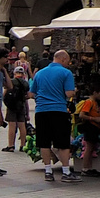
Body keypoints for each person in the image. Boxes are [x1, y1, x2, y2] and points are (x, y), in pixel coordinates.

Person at [29, 49, 80, 182]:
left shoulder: (39, 73)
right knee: (62, 143)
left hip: (41, 111)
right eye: (67, 61)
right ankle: (66, 172)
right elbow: (69, 94)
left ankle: (48, 171)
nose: (68, 64)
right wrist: (74, 91)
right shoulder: (66, 73)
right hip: (58, 110)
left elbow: (32, 93)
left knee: (44, 142)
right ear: (63, 59)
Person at [2, 64, 30, 151]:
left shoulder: (11, 81)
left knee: (12, 125)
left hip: (11, 106)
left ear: (14, 73)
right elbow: (28, 96)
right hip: (21, 105)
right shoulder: (25, 83)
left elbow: (4, 94)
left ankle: (11, 145)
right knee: (22, 125)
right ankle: (22, 145)